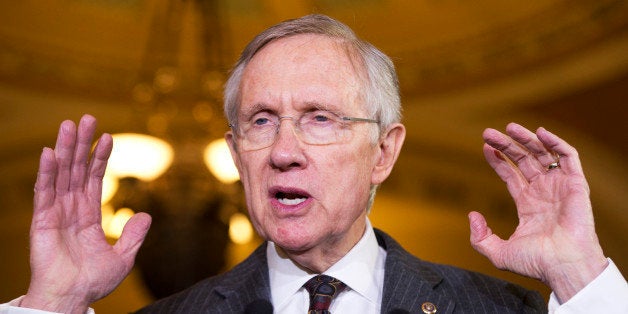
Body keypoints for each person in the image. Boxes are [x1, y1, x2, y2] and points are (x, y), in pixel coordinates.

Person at [2, 14, 627, 314]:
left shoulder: (498, 311)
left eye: (320, 118)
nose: (283, 151)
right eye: (261, 121)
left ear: (384, 152)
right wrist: (51, 305)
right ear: (236, 157)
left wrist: (579, 279)